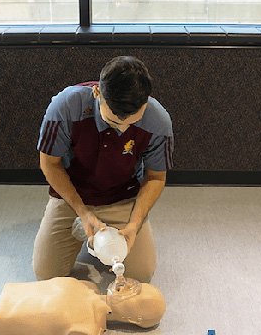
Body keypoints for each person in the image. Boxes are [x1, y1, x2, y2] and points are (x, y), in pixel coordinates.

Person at [33, 55, 174, 283]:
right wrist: (83, 211)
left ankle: (102, 230)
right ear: (97, 93)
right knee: (46, 274)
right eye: (114, 122)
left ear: (145, 103)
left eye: (132, 122)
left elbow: (156, 176)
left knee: (141, 274)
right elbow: (49, 163)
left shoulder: (158, 121)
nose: (123, 128)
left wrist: (134, 224)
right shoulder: (66, 106)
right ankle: (82, 229)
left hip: (122, 194)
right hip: (73, 194)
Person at [0, 277, 166, 335]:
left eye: (138, 297)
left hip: (6, 317)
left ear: (133, 319)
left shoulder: (87, 331)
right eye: (139, 286)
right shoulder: (88, 286)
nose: (130, 286)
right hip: (12, 292)